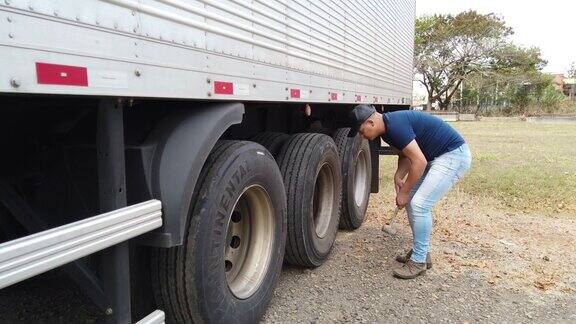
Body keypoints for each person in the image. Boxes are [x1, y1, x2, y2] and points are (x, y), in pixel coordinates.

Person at [348, 104, 472, 279]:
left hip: (453, 156)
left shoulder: (395, 126)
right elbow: (406, 155)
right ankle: (422, 253)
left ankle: (419, 261)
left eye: (361, 131)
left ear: (370, 122)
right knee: (413, 202)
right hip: (437, 157)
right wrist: (399, 176)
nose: (362, 136)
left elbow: (419, 161)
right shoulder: (387, 129)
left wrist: (404, 192)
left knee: (420, 204)